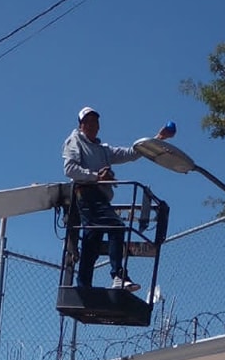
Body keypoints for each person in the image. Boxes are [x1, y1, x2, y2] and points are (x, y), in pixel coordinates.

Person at [62, 107, 174, 291]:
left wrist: (157, 139)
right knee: (117, 226)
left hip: (100, 197)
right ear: (81, 125)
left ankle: (83, 287)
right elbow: (70, 169)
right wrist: (97, 176)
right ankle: (118, 275)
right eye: (88, 122)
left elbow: (131, 153)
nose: (93, 125)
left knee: (92, 243)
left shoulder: (103, 150)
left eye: (96, 122)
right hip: (86, 193)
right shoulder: (75, 141)